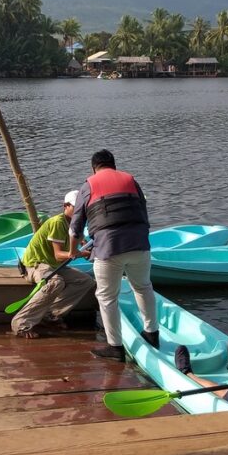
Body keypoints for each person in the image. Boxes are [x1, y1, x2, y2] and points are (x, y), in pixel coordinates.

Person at [69, 149, 158, 362]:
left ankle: (115, 348)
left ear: (94, 168)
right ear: (114, 165)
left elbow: (76, 226)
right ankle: (152, 334)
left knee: (107, 297)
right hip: (140, 244)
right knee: (143, 287)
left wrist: (73, 251)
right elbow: (143, 213)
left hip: (108, 249)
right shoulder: (131, 181)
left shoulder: (88, 185)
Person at [10, 190, 96, 339]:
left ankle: (51, 315)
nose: (79, 212)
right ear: (65, 206)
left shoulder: (78, 224)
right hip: (35, 264)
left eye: (81, 208)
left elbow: (80, 242)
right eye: (75, 208)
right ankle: (21, 323)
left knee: (85, 281)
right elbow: (59, 255)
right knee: (55, 283)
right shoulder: (57, 222)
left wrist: (88, 249)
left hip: (54, 265)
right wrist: (81, 253)